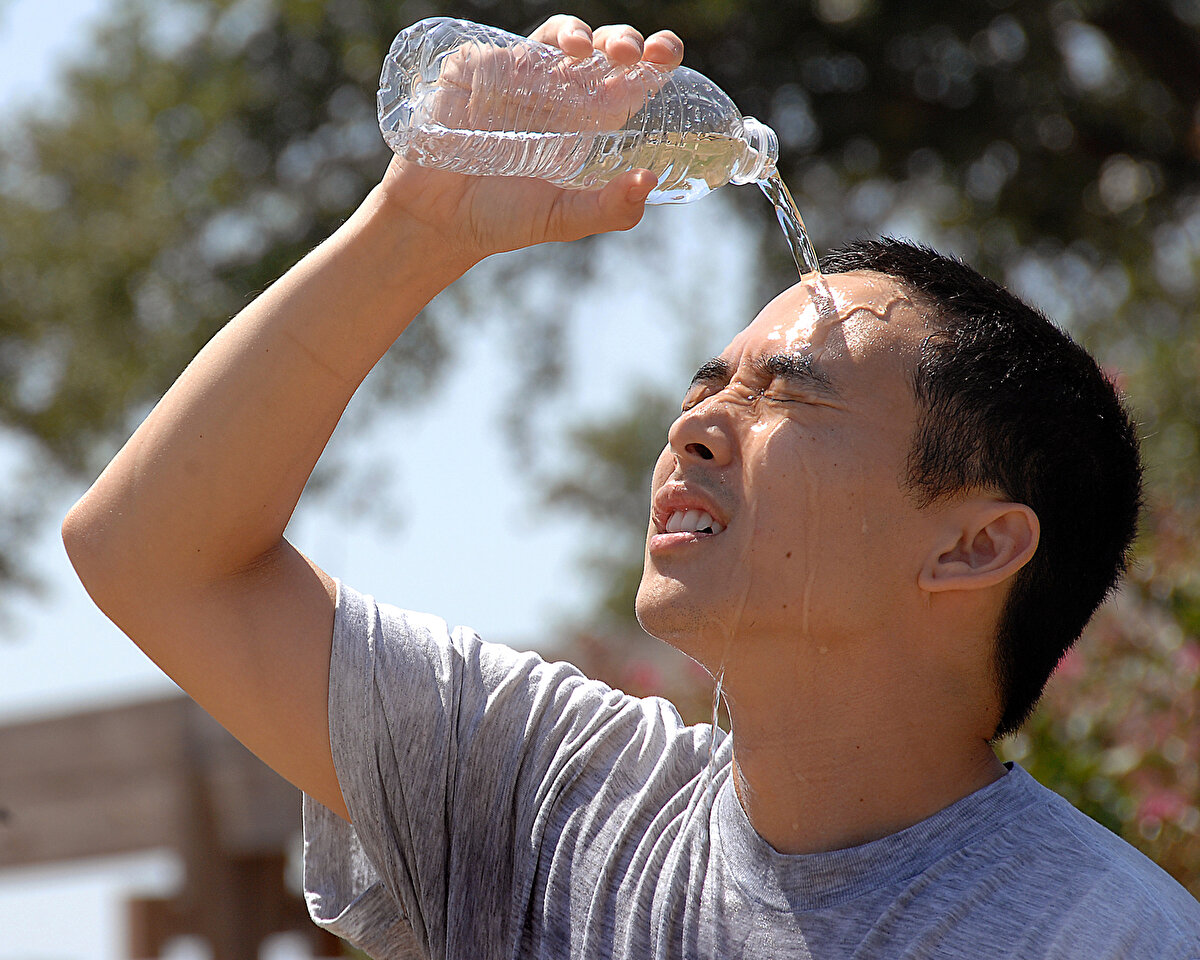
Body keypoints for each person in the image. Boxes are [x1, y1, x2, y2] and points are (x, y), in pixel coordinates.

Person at [62, 14, 1199, 960]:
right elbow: (152, 557)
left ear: (973, 547)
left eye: (788, 397)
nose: (696, 425)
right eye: (710, 386)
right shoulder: (550, 796)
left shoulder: (1099, 935)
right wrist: (415, 228)